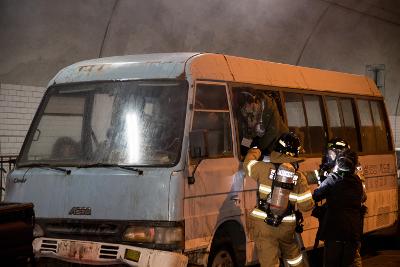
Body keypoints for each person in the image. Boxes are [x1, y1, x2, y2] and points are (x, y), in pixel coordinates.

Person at [244, 132, 314, 267]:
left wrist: (255, 149)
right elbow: (306, 206)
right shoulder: (299, 177)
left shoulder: (263, 168)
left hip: (264, 225)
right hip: (287, 227)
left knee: (269, 263)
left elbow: (247, 165)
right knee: (294, 258)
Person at [311, 138, 367, 267]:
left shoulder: (352, 172)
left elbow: (362, 197)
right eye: (330, 152)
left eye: (333, 153)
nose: (331, 156)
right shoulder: (330, 169)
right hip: (346, 223)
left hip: (340, 222)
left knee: (350, 258)